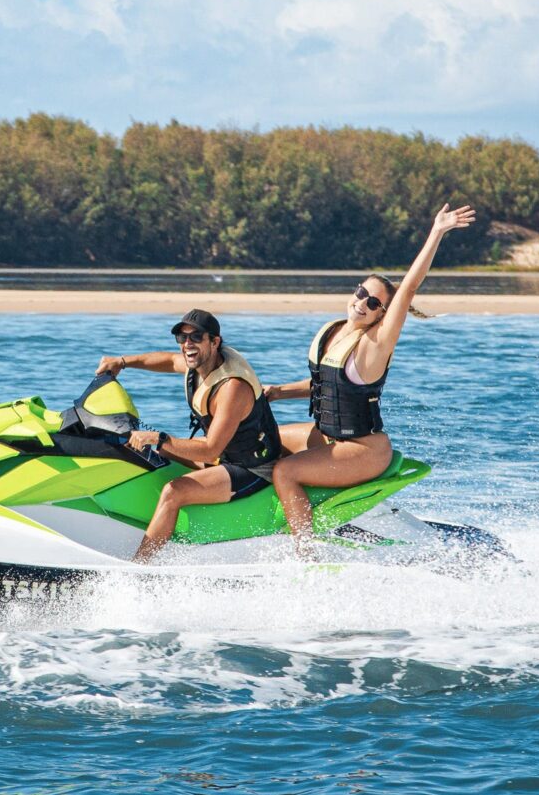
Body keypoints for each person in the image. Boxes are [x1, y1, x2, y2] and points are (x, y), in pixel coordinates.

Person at [264, 203, 476, 554]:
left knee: (285, 472)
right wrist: (275, 393)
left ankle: (305, 553)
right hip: (327, 438)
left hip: (362, 449)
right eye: (362, 293)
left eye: (374, 303)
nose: (363, 303)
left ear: (383, 314)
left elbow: (407, 289)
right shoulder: (331, 330)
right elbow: (326, 388)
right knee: (266, 438)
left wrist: (437, 231)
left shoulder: (374, 345)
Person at [96, 308, 282, 562]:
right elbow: (169, 361)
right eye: (182, 338)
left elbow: (210, 450)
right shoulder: (202, 362)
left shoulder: (232, 388)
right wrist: (123, 361)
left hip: (252, 467)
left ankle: (139, 567)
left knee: (174, 491)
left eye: (195, 337)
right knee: (147, 455)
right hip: (227, 454)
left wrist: (159, 438)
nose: (187, 344)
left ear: (214, 342)